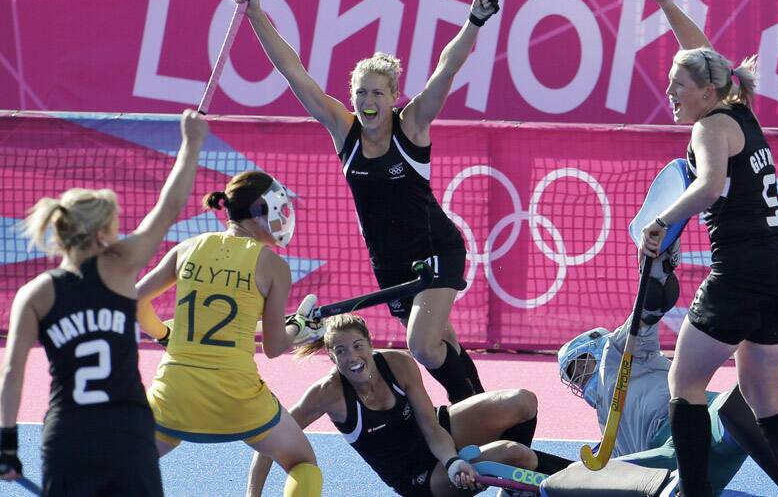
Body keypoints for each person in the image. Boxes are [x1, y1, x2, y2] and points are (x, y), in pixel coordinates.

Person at [235, 0, 501, 403]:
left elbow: (445, 69)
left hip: (436, 248)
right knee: (442, 343)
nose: (367, 100)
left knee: (423, 346)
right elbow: (293, 71)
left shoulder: (411, 126)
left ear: (395, 96)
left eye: (378, 92)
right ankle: (485, 409)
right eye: (360, 92)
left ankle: (478, 411)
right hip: (391, 264)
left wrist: (474, 21)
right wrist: (255, 16)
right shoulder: (344, 130)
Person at [637, 0, 778, 496]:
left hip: (739, 275)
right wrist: (666, 3)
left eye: (677, 86)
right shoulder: (737, 106)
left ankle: (692, 492)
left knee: (683, 383)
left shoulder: (709, 125)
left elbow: (710, 186)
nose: (669, 92)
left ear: (706, 91)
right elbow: (702, 52)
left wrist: (662, 220)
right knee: (762, 391)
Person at [0, 109, 208, 495]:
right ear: (99, 236)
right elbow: (168, 209)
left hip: (67, 436)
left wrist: (7, 443)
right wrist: (192, 144)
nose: (118, 233)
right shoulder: (121, 264)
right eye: (113, 226)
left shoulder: (36, 293)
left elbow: (12, 372)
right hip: (125, 434)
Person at [135, 170, 323, 497]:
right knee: (302, 463)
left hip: (175, 394)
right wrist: (300, 327)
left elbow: (135, 299)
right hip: (238, 397)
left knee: (122, 465)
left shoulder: (189, 248)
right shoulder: (273, 266)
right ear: (259, 211)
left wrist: (164, 335)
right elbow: (276, 346)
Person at [246, 314, 572, 497]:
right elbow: (270, 440)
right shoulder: (327, 394)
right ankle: (577, 480)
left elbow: (431, 425)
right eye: (341, 351)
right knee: (515, 453)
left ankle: (516, 489)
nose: (352, 357)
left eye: (358, 346)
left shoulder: (398, 365)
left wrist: (454, 461)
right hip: (418, 476)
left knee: (522, 401)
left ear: (371, 346)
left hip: (435, 436)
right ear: (331, 357)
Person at [557, 241, 748, 494]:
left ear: (595, 347)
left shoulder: (616, 351)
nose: (580, 378)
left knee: (751, 400)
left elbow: (649, 309)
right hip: (672, 464)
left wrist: (657, 271)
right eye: (574, 377)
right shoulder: (606, 426)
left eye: (579, 365)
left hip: (695, 424)